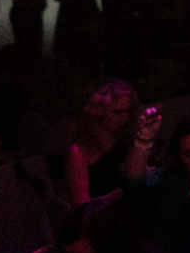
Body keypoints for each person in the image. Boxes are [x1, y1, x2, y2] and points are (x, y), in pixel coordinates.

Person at [61, 80, 159, 209]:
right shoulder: (78, 153)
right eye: (117, 112)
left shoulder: (125, 142)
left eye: (128, 112)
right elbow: (81, 207)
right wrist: (119, 193)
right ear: (99, 112)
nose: (125, 118)